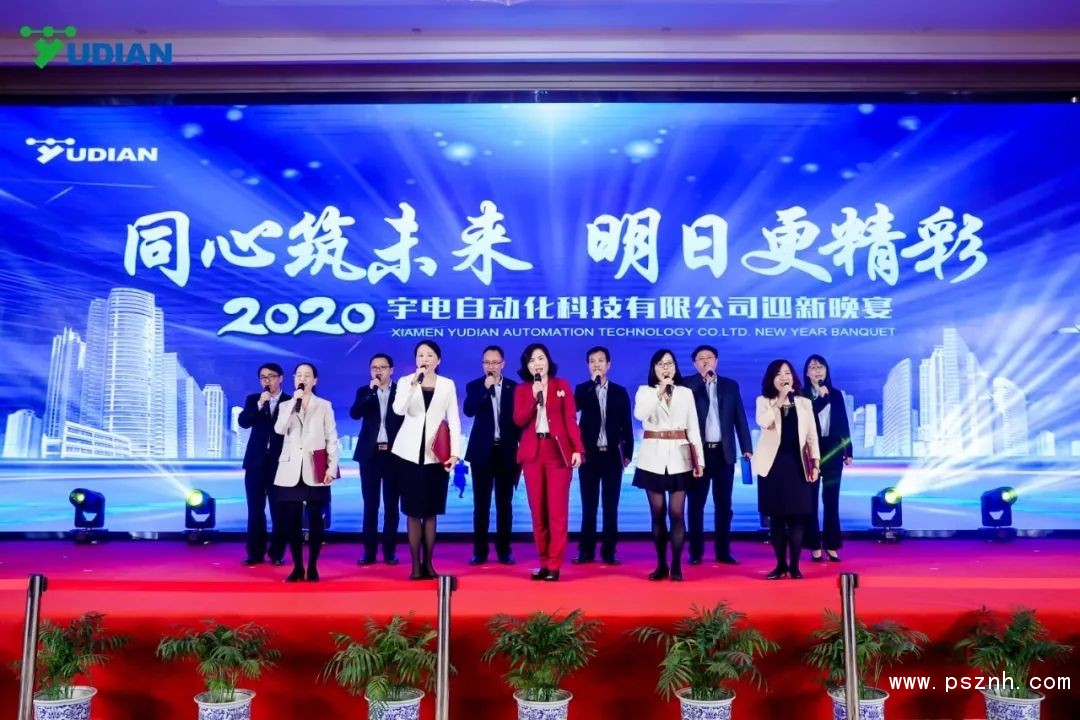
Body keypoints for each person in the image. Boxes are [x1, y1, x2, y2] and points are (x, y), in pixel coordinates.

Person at [512, 343, 583, 582]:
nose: (537, 363)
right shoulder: (522, 390)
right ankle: (543, 562)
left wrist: (577, 449)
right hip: (533, 453)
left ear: (548, 361)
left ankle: (554, 564)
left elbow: (570, 419)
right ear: (527, 366)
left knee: (557, 511)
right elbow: (519, 420)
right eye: (532, 360)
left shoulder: (561, 386)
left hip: (558, 452)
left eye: (540, 358)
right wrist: (534, 399)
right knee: (538, 511)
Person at [391, 340, 462, 580]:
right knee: (412, 512)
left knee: (430, 513)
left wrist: (454, 453)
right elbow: (398, 410)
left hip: (436, 455)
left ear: (438, 360)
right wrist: (413, 385)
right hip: (408, 454)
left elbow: (454, 420)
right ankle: (414, 565)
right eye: (420, 355)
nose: (425, 359)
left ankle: (429, 564)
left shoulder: (447, 384)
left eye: (430, 355)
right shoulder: (405, 382)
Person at [632, 349, 704, 582]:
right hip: (652, 458)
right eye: (661, 364)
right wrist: (660, 391)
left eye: (670, 363)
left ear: (675, 367)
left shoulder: (685, 393)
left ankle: (676, 565)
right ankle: (661, 564)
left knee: (676, 512)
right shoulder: (645, 391)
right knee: (658, 513)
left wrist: (699, 460)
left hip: (679, 458)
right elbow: (640, 414)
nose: (666, 367)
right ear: (654, 368)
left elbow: (693, 427)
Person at [683, 345, 753, 565]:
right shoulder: (687, 385)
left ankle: (723, 551)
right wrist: (701, 380)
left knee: (724, 505)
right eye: (700, 359)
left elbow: (740, 417)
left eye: (709, 357)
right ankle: (696, 552)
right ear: (694, 364)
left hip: (724, 453)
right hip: (699, 455)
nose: (706, 361)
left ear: (717, 361)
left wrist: (746, 447)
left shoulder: (730, 385)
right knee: (696, 505)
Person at [752, 359, 820, 580]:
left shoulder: (804, 403)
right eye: (779, 374)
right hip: (772, 466)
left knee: (797, 517)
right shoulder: (764, 401)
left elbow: (811, 436)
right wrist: (780, 400)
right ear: (772, 379)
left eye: (788, 373)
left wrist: (815, 464)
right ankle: (780, 565)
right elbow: (764, 423)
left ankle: (795, 566)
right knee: (777, 519)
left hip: (797, 465)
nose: (784, 377)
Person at [273, 362, 339, 583]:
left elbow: (331, 438)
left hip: (315, 468)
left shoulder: (324, 406)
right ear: (294, 379)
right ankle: (297, 567)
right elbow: (279, 429)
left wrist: (331, 468)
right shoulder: (286, 405)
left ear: (315, 380)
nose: (303, 378)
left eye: (307, 375)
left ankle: (312, 567)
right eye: (299, 375)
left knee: (316, 520)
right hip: (290, 469)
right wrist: (294, 402)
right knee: (291, 521)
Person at [573, 346, 634, 565]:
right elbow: (575, 408)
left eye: (600, 361)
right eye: (592, 361)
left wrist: (628, 452)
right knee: (588, 506)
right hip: (588, 456)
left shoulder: (619, 391)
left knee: (610, 506)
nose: (596, 364)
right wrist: (592, 385)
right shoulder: (582, 389)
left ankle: (609, 552)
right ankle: (586, 551)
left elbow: (627, 424)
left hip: (611, 456)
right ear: (588, 365)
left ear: (608, 365)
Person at [463, 345, 521, 566]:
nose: (491, 366)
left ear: (503, 364)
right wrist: (485, 389)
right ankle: (480, 551)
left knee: (504, 505)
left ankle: (504, 551)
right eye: (487, 362)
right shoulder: (475, 386)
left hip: (506, 452)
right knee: (481, 505)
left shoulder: (514, 388)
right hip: (482, 453)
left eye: (495, 362)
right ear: (482, 364)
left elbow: (519, 421)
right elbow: (469, 410)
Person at [349, 353, 403, 566]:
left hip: (394, 455)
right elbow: (355, 414)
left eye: (382, 367)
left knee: (391, 506)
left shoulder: (401, 391)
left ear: (392, 370)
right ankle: (369, 553)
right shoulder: (364, 391)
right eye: (374, 367)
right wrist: (371, 393)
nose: (378, 371)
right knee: (370, 505)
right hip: (370, 456)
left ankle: (389, 552)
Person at [237, 363, 290, 567]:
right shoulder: (254, 400)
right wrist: (260, 404)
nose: (267, 381)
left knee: (279, 511)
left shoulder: (290, 401)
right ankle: (255, 553)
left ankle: (276, 553)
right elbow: (244, 422)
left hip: (280, 463)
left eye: (271, 376)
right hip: (255, 463)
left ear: (281, 378)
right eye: (263, 377)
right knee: (255, 510)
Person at [802, 354, 854, 562]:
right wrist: (822, 398)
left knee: (831, 500)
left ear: (826, 371)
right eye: (813, 367)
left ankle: (831, 544)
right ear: (807, 373)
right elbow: (808, 417)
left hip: (832, 450)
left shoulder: (836, 394)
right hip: (811, 451)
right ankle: (814, 544)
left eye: (820, 367)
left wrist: (848, 450)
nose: (817, 371)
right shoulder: (801, 395)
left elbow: (843, 423)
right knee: (810, 500)